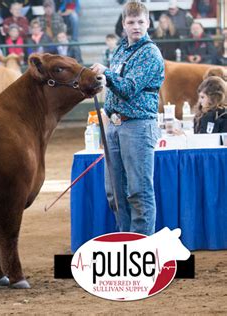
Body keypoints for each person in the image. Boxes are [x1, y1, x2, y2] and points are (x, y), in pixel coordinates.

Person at [90, 1, 165, 236]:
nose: (136, 27)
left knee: (138, 191)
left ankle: (142, 247)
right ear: (123, 24)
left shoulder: (150, 52)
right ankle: (125, 240)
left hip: (138, 126)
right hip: (114, 124)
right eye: (131, 22)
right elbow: (113, 87)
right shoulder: (121, 49)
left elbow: (130, 88)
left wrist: (106, 73)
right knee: (115, 192)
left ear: (148, 23)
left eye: (140, 22)